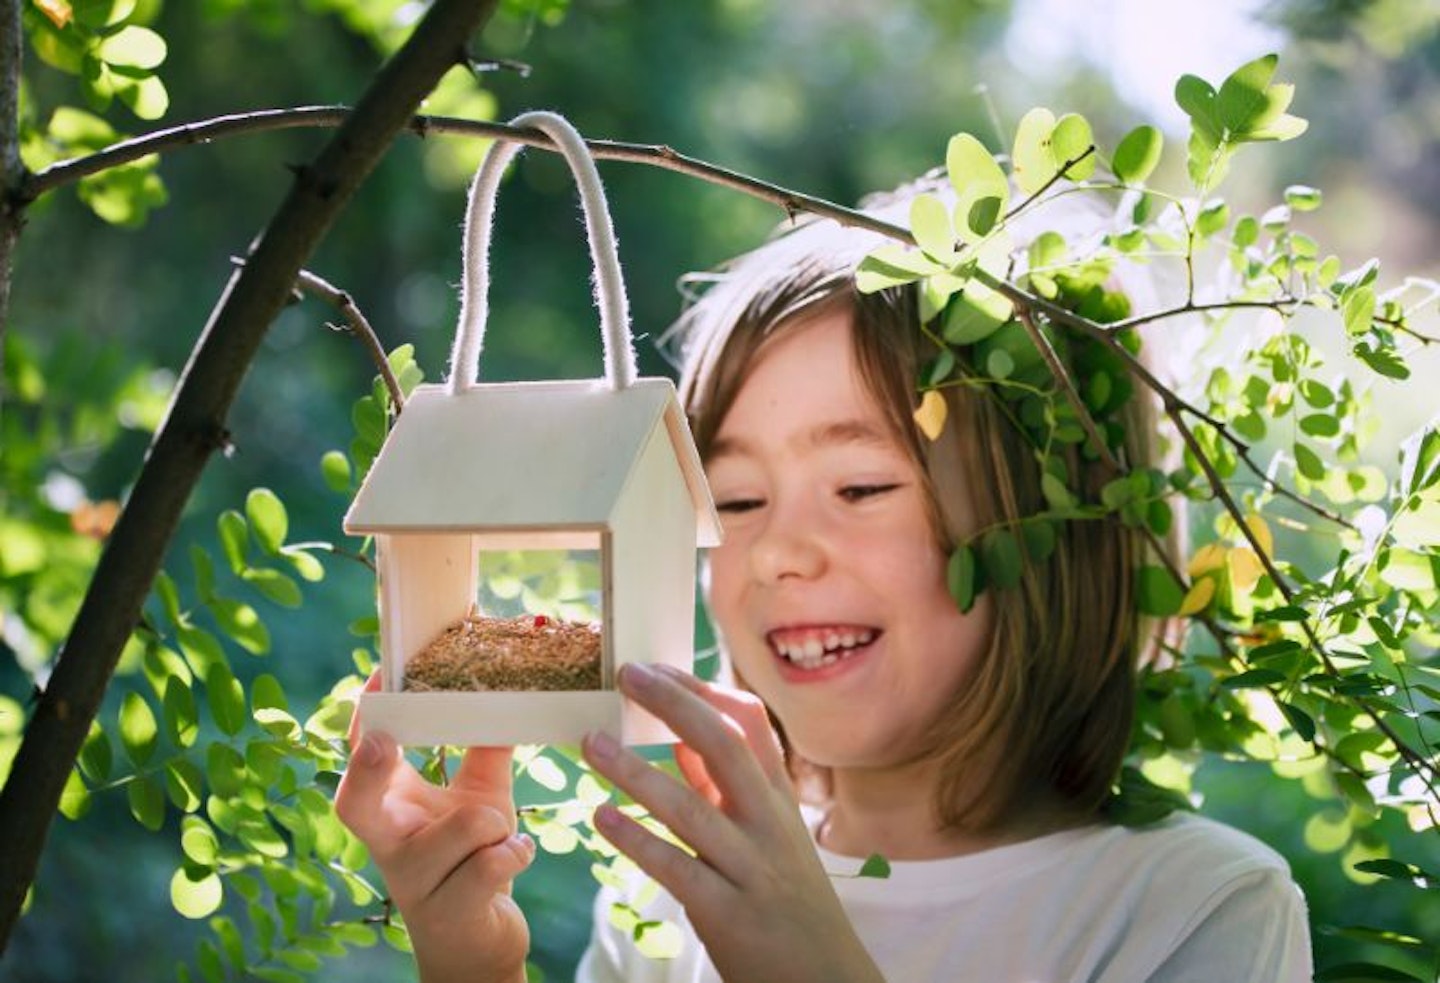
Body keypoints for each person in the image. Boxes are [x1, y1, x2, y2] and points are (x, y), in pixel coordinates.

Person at [334, 181, 1314, 983]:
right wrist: (474, 963)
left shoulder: (1192, 908)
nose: (777, 553)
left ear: (1051, 537)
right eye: (739, 500)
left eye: (860, 485)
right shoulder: (671, 890)